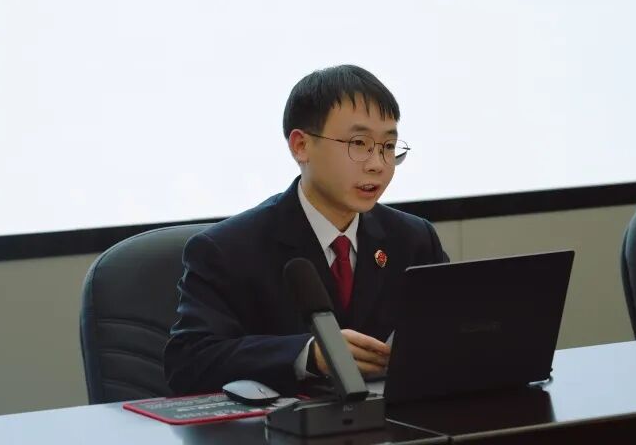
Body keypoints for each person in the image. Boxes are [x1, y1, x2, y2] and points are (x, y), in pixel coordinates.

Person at [163, 64, 448, 395]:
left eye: (387, 146)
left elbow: (450, 332)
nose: (377, 164)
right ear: (301, 146)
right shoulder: (227, 249)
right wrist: (308, 354)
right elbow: (190, 362)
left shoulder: (413, 238)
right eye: (359, 143)